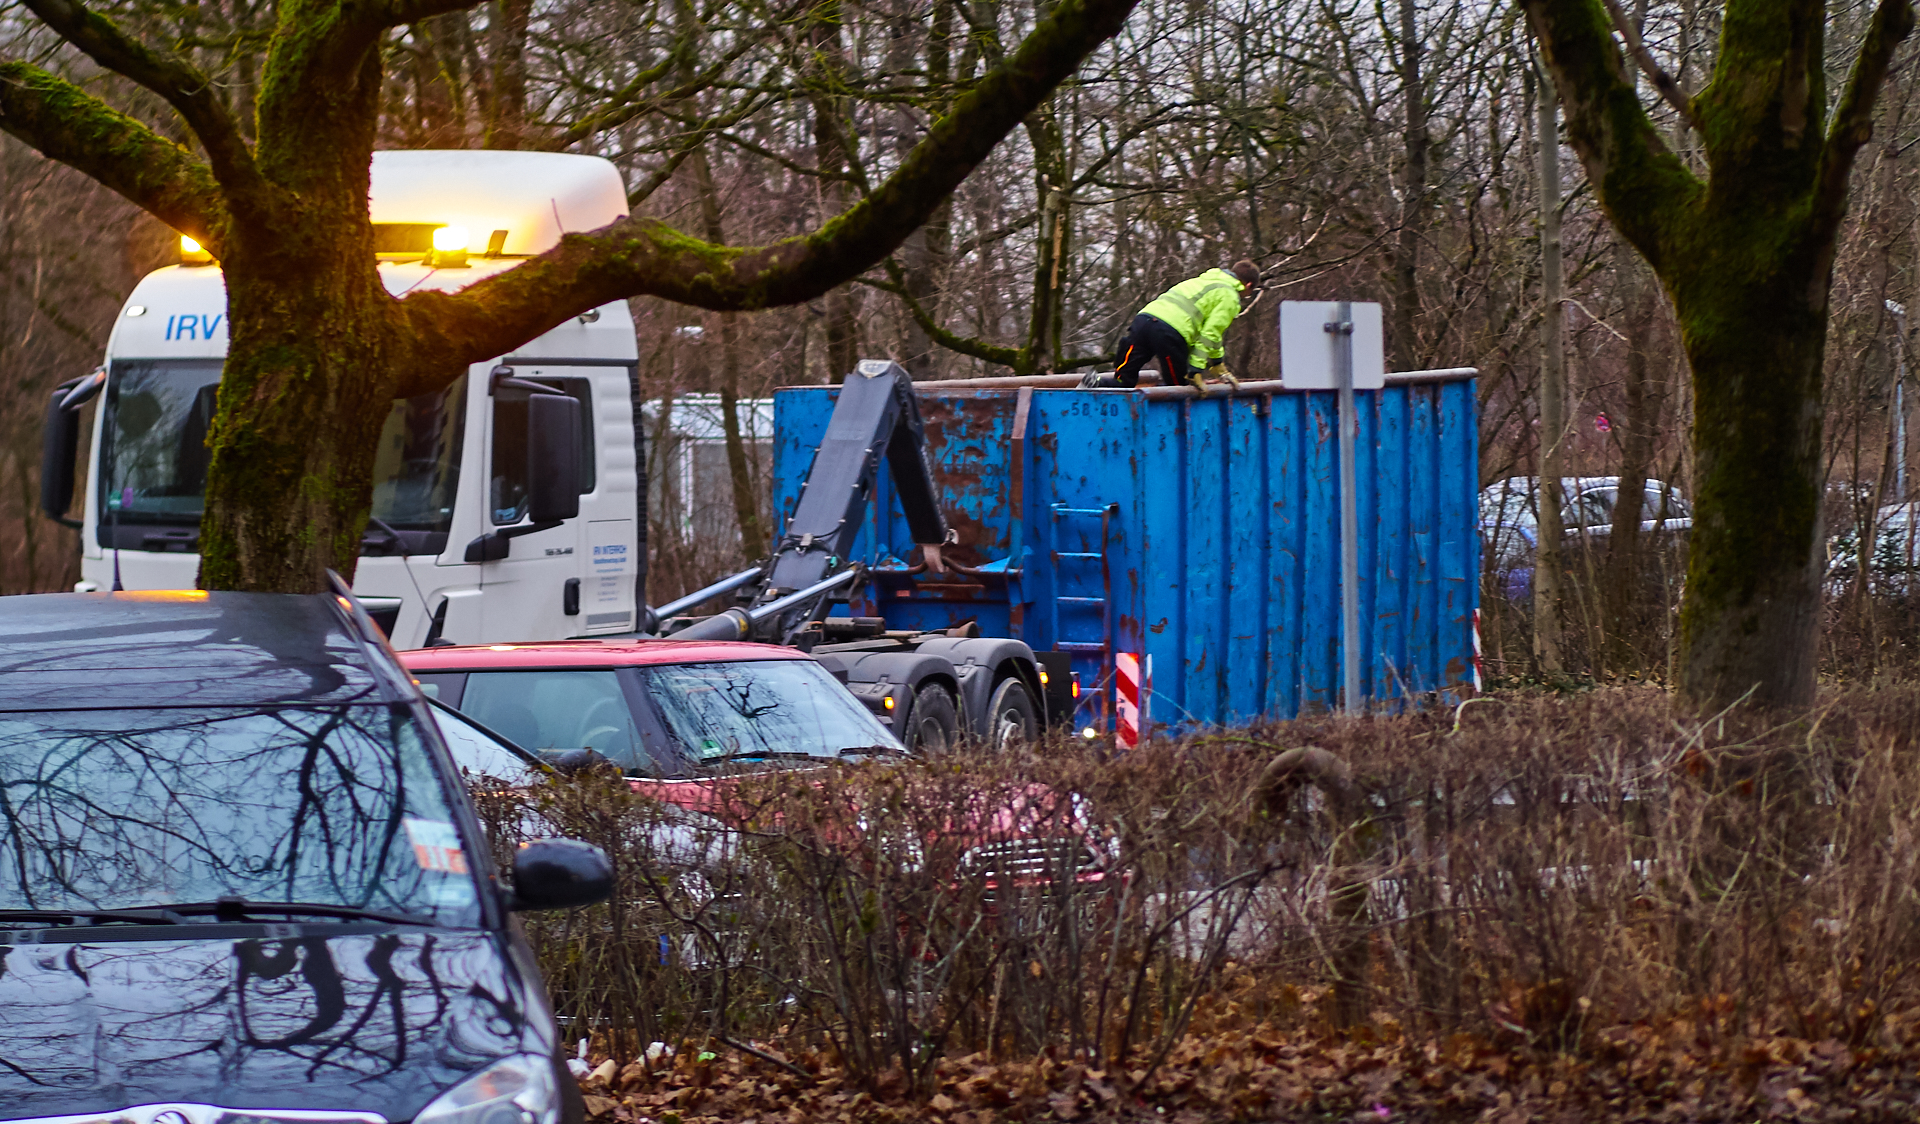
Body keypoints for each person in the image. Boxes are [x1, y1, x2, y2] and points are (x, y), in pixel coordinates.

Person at [1081, 260, 1261, 390]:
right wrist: (1195, 369)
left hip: (1144, 320)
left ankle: (1093, 383)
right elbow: (1210, 334)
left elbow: (1212, 336)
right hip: (1169, 332)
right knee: (1178, 389)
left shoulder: (1203, 280)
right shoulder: (1230, 296)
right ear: (1249, 285)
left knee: (1123, 381)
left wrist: (1217, 361)